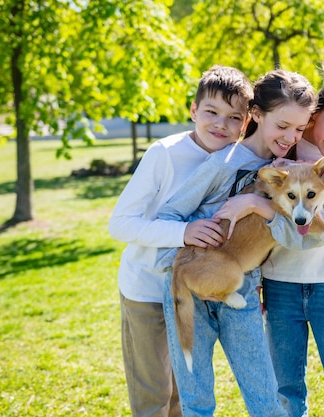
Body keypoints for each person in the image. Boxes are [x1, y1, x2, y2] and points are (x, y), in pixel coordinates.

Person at [215, 56, 324, 417]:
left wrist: (311, 171)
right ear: (314, 117)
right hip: (281, 281)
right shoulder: (285, 141)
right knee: (285, 389)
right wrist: (310, 171)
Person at [156, 69, 317, 417]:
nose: (291, 136)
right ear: (256, 115)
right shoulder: (222, 163)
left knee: (264, 396)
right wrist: (188, 241)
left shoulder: (288, 173)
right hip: (188, 282)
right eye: (282, 125)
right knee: (196, 398)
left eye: (300, 129)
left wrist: (259, 205)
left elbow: (297, 237)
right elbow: (169, 215)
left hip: (242, 289)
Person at [108, 65, 253, 417]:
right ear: (193, 110)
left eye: (234, 117)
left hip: (190, 292)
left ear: (247, 123)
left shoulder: (237, 160)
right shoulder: (165, 154)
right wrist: (182, 232)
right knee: (153, 392)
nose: (221, 124)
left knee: (185, 390)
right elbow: (121, 224)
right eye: (211, 112)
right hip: (146, 289)